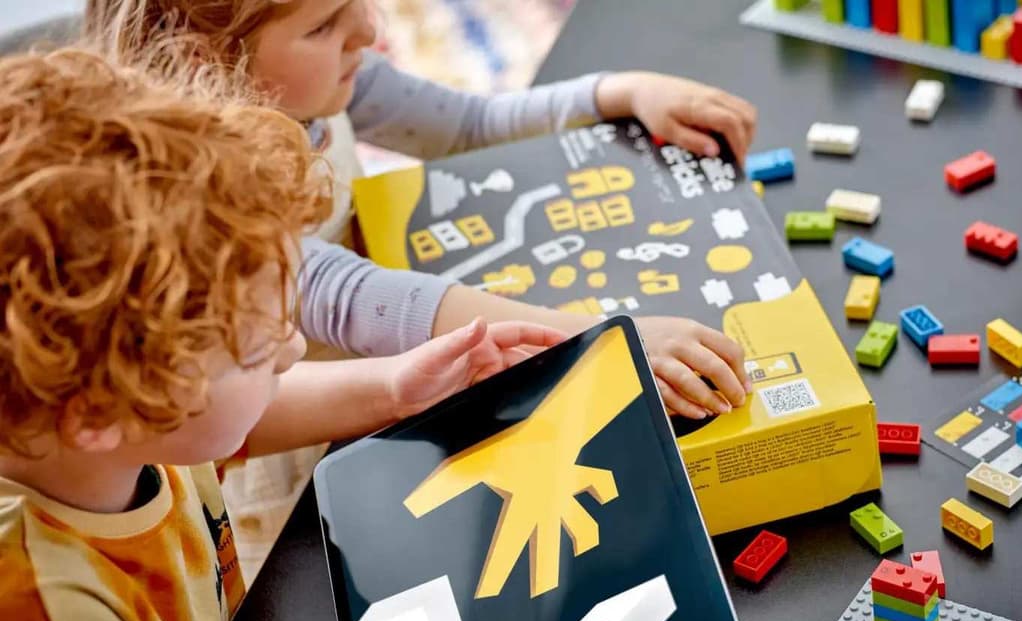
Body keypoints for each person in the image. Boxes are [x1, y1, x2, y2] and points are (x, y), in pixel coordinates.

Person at [0, 47, 611, 621]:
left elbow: (226, 426)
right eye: (257, 348)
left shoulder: (106, 423)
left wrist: (394, 388)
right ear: (102, 410)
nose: (293, 346)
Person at [86, 0, 761, 420]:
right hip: (298, 418)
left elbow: (467, 123)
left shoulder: (328, 78)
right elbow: (361, 300)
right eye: (324, 24)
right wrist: (607, 335)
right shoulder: (204, 190)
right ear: (212, 59)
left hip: (390, 372)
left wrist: (618, 91)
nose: (370, 29)